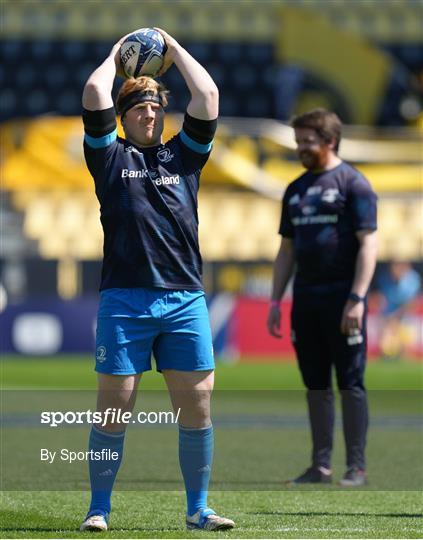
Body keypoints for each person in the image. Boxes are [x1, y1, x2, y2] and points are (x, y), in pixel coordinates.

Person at [80, 28, 234, 532]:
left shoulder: (183, 156)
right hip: (124, 298)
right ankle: (98, 509)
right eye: (140, 108)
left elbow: (207, 96)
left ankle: (198, 509)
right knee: (114, 407)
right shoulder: (109, 158)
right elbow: (93, 93)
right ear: (123, 117)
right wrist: (115, 54)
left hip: (184, 297)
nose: (151, 114)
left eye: (155, 107)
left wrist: (171, 46)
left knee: (198, 403)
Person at [267, 109, 378, 487]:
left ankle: (357, 467)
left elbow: (369, 246)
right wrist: (275, 300)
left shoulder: (353, 184)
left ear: (329, 141)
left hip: (343, 300)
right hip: (306, 302)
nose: (300, 148)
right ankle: (321, 465)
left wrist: (357, 298)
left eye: (306, 142)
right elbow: (287, 251)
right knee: (315, 384)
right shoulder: (294, 189)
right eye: (298, 142)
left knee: (350, 382)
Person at [374, 260, 421, 360]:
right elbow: (380, 297)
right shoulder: (384, 278)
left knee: (406, 347)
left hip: (405, 317)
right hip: (388, 316)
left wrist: (395, 317)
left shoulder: (413, 280)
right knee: (386, 346)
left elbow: (411, 304)